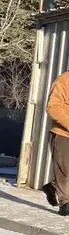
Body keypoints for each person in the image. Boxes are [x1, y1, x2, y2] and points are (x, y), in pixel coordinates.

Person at [45, 71, 69, 215]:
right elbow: (52, 107)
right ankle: (65, 202)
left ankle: (52, 187)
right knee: (64, 169)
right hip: (63, 134)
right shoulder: (63, 81)